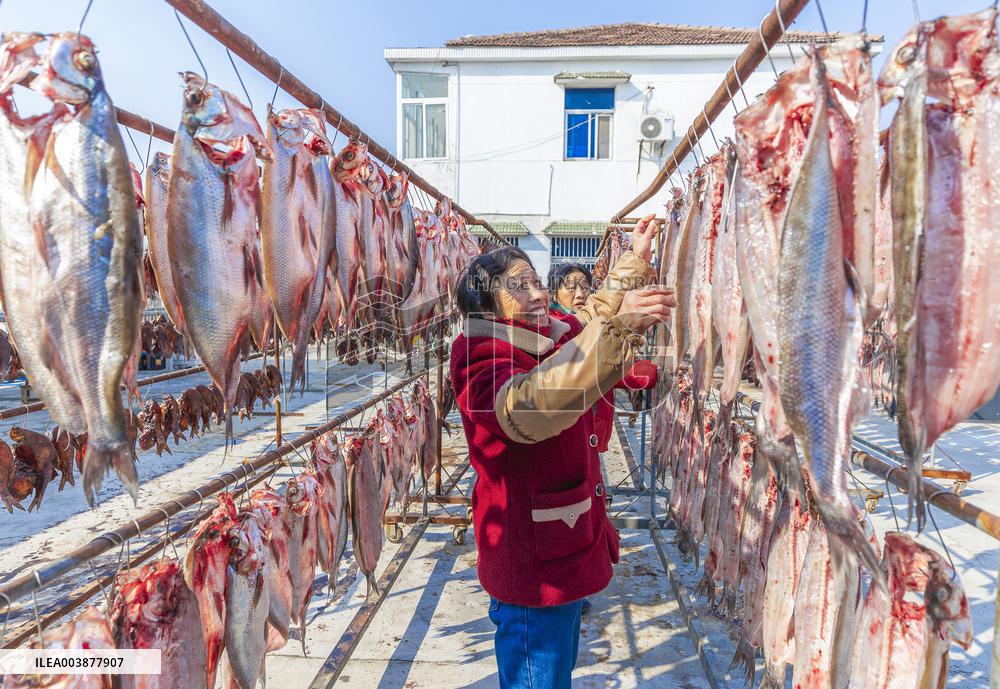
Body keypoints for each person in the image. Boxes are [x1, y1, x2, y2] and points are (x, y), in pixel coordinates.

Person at [450, 217, 674, 689]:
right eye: (518, 286)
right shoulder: (479, 355)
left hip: (565, 548)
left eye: (534, 280)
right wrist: (621, 328)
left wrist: (633, 260)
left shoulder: (550, 332)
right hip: (533, 567)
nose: (535, 293)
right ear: (487, 304)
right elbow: (532, 406)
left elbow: (594, 314)